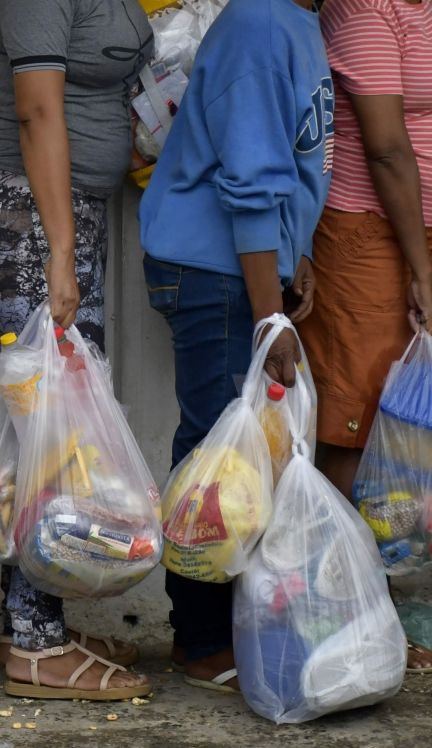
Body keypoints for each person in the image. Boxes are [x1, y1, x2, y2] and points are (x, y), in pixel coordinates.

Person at [0, 0, 154, 701]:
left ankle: (30, 621)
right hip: (22, 222)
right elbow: (37, 111)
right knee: (57, 440)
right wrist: (61, 254)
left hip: (64, 220)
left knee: (46, 435)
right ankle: (36, 646)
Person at [140, 0, 332, 692]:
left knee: (243, 453)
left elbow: (292, 162)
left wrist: (294, 255)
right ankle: (202, 639)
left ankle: (221, 628)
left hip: (245, 266)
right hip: (214, 270)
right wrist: (267, 315)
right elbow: (249, 183)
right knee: (217, 454)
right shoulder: (258, 23)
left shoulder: (300, 23)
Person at [297, 0, 432, 672]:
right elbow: (384, 145)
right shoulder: (362, 13)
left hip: (416, 239)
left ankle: (403, 605)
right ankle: (345, 609)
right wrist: (421, 266)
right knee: (357, 424)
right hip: (367, 239)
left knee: (414, 436)